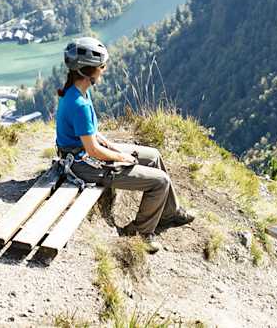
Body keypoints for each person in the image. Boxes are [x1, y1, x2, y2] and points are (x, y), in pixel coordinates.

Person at [55, 36, 194, 253]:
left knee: (154, 155)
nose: (104, 69)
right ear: (87, 71)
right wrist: (121, 157)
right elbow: (92, 150)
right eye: (101, 66)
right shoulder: (79, 104)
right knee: (160, 182)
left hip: (83, 154)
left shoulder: (77, 91)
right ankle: (139, 233)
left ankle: (169, 212)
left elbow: (89, 132)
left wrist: (112, 145)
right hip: (82, 165)